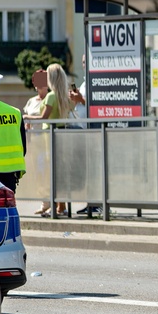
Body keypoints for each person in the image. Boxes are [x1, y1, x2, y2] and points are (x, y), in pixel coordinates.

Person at [24, 63, 72, 216]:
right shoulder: (63, 95)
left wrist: (26, 117)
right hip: (60, 134)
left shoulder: (51, 96)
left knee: (51, 171)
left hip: (49, 136)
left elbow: (44, 117)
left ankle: (57, 205)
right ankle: (60, 206)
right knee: (57, 170)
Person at [69, 54, 101, 216]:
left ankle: (96, 203)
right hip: (83, 130)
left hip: (92, 132)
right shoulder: (84, 82)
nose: (84, 64)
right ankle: (90, 202)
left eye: (86, 61)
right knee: (87, 170)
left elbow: (97, 103)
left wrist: (80, 99)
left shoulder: (95, 81)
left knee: (94, 170)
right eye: (82, 62)